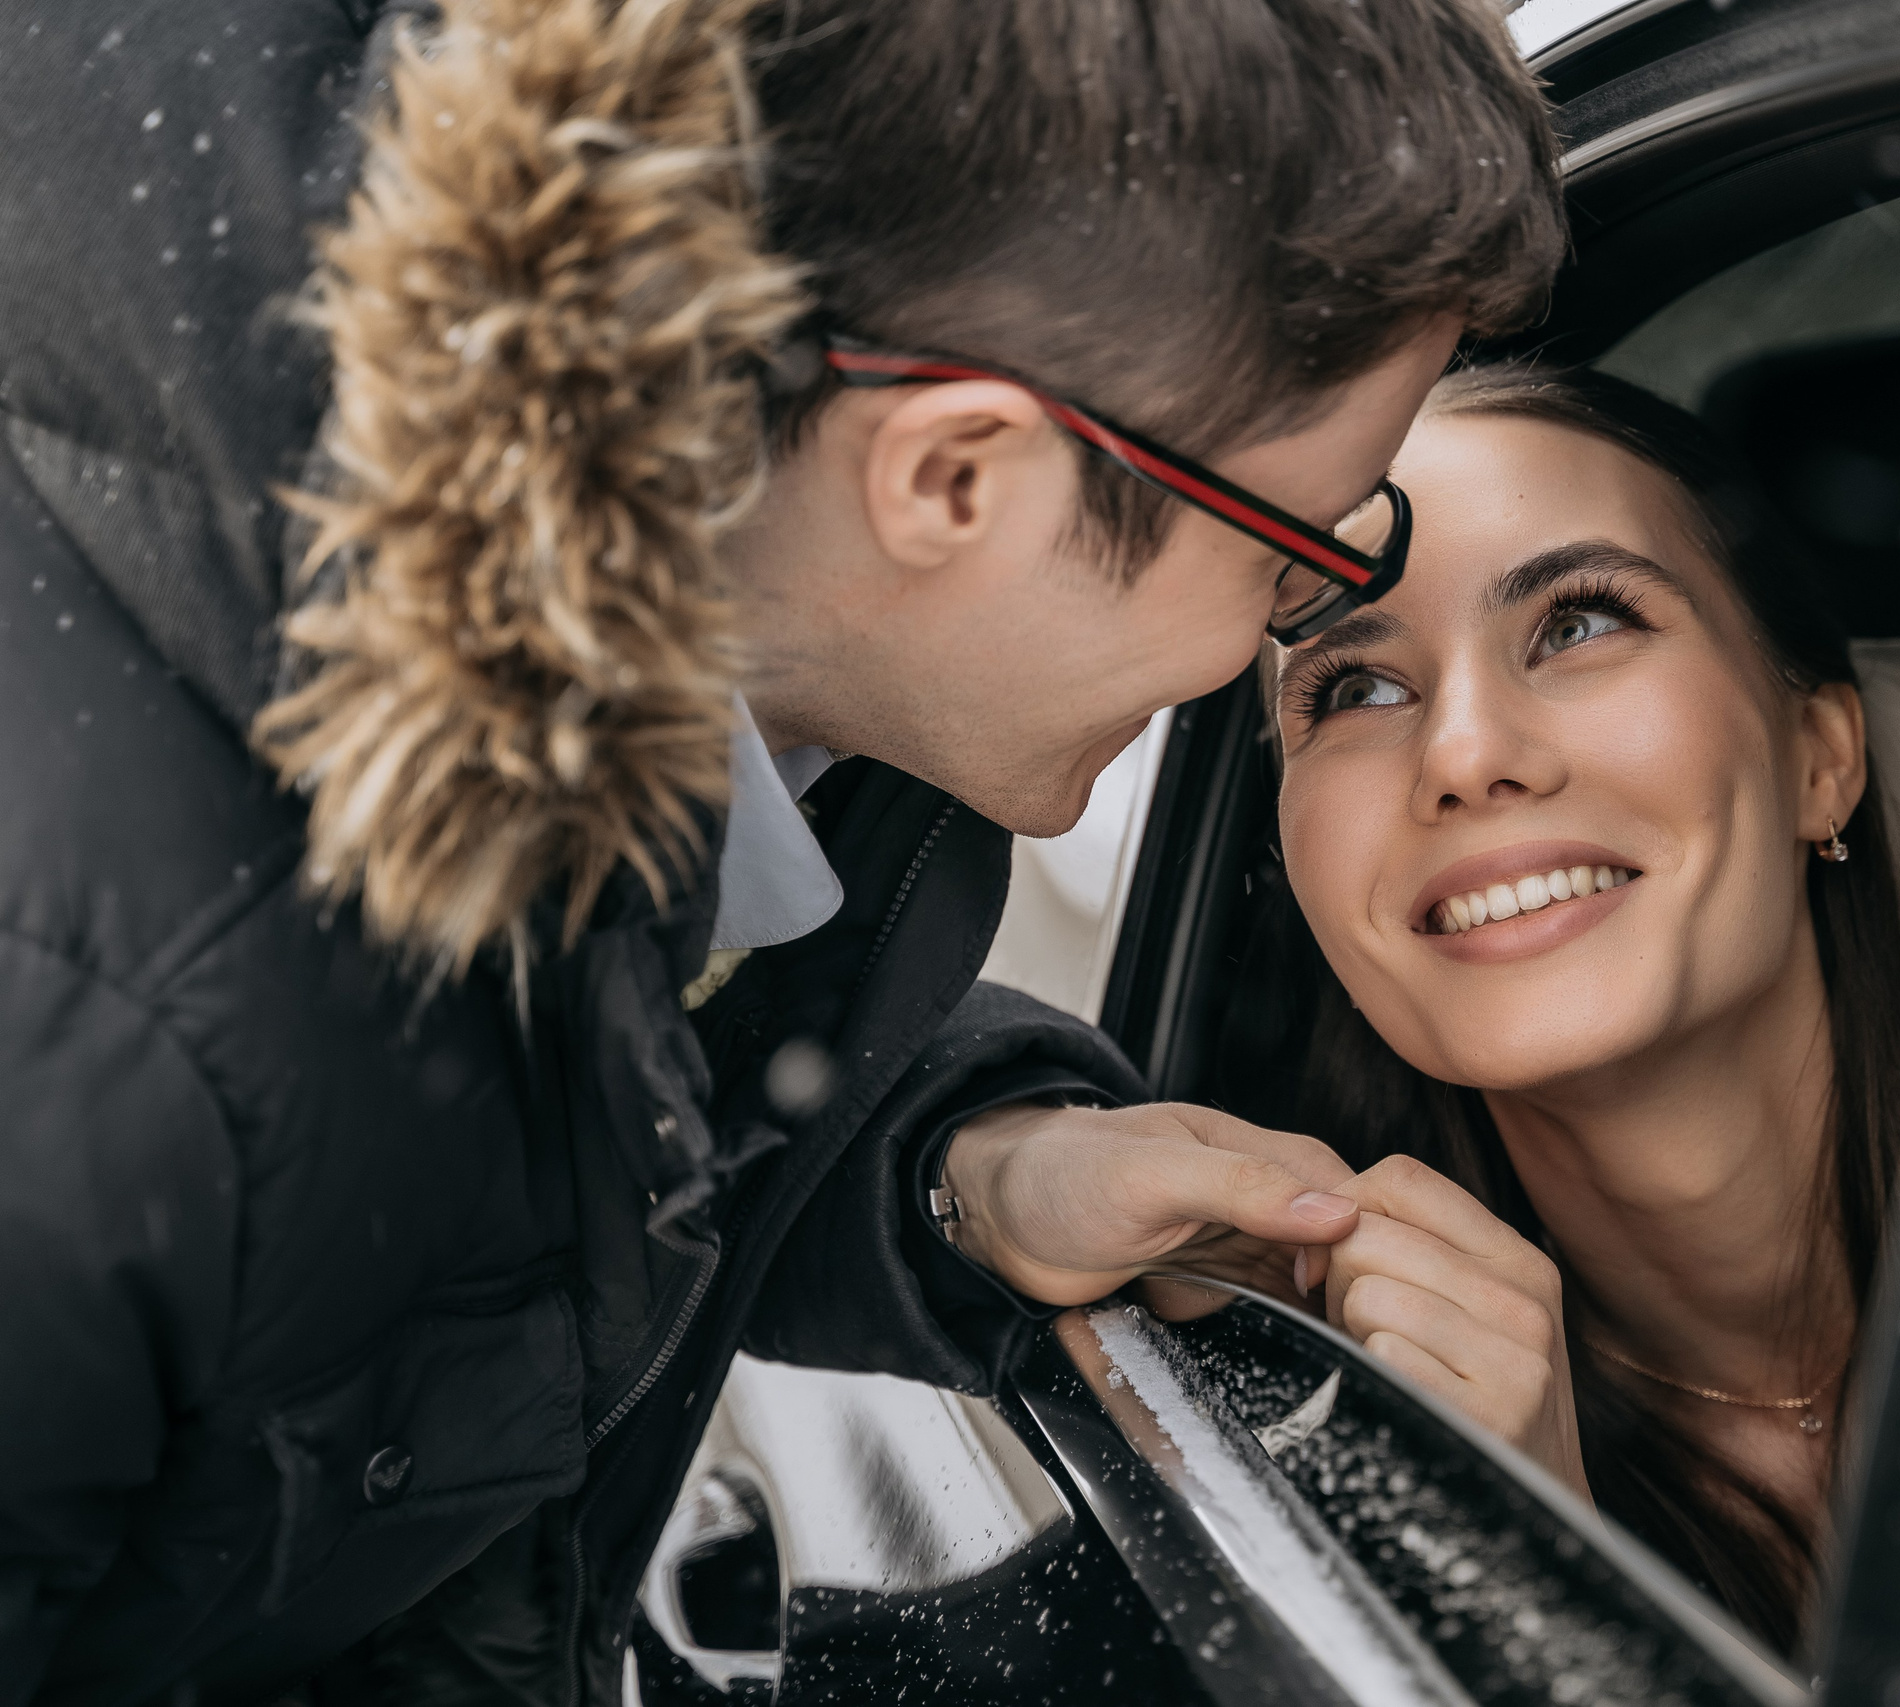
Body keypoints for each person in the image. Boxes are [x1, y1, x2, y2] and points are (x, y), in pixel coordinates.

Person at [0, 1, 1561, 1699]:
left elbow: (582, 1080)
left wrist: (968, 1175)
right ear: (957, 479)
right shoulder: (90, 1037)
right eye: (1288, 556)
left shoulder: (756, 647)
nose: (1282, 633)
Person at [1241, 364, 1900, 1653]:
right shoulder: (1308, 1415)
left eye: (1576, 623)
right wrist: (1532, 1563)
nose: (1460, 754)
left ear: (1819, 760)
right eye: (1355, 688)